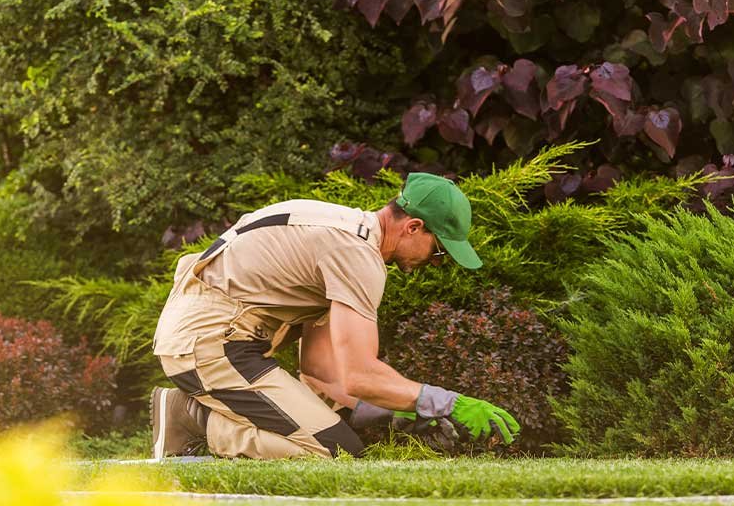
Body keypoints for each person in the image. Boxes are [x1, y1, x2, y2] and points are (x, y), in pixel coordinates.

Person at [149, 172, 520, 459]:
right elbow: (360, 376)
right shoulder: (356, 256)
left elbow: (319, 369)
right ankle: (192, 418)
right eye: (438, 252)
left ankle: (198, 415)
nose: (435, 263)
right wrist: (446, 403)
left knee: (340, 436)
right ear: (413, 227)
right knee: (332, 451)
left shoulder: (344, 234)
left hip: (214, 337)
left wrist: (395, 413)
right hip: (213, 344)